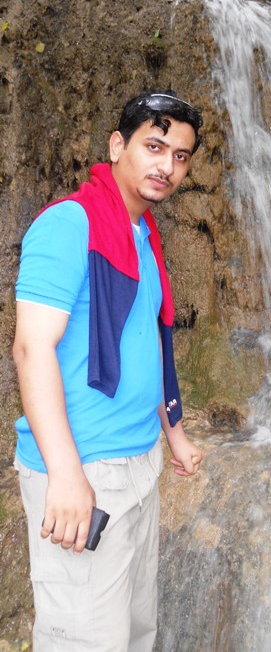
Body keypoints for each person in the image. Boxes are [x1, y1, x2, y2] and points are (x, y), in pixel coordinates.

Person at [13, 91, 205, 652]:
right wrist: (66, 475)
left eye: (180, 156)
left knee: (135, 632)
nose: (167, 166)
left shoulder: (142, 235)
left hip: (139, 464)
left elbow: (149, 345)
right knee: (87, 640)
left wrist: (173, 433)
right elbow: (31, 349)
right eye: (155, 146)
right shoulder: (69, 225)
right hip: (84, 469)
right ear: (118, 146)